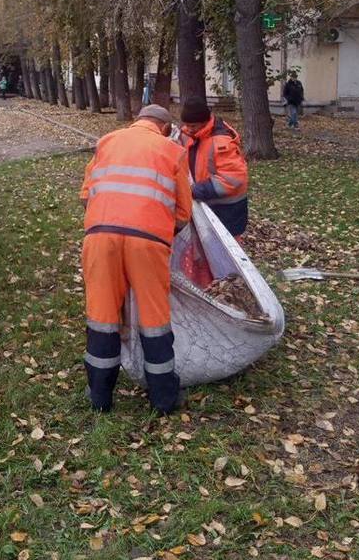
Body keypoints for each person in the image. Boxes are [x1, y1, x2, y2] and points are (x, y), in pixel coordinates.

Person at [80, 104, 192, 415]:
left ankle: (100, 397)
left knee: (101, 317)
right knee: (154, 321)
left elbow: (86, 195)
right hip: (149, 242)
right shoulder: (172, 151)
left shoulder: (107, 141)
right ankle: (163, 400)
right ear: (165, 128)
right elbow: (183, 213)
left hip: (100, 237)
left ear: (137, 122)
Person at [177, 97, 248, 237]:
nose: (189, 129)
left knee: (224, 252)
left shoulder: (221, 142)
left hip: (226, 209)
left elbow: (234, 179)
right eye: (187, 125)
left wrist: (196, 190)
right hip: (203, 204)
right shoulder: (187, 134)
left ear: (204, 122)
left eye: (193, 126)